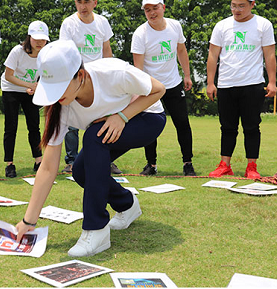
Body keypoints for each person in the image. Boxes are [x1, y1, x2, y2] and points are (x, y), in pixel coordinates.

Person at [15, 40, 166, 257]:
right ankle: (127, 204)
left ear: (81, 76)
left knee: (94, 137)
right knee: (81, 171)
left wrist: (122, 117)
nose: (56, 96)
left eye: (60, 86)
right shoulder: (59, 109)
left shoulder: (114, 72)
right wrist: (28, 221)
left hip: (147, 118)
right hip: (109, 129)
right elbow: (48, 169)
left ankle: (96, 230)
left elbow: (158, 89)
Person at [207, 0, 276, 179]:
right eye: (233, 5)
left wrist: (272, 82)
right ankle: (224, 164)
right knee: (227, 127)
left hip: (252, 84)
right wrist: (210, 83)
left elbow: (269, 54)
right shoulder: (222, 26)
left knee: (252, 127)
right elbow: (213, 55)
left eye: (241, 5)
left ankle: (251, 167)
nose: (236, 9)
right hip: (226, 84)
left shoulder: (263, 25)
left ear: (252, 4)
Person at [131, 0, 196, 177]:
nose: (152, 13)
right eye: (147, 10)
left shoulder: (175, 26)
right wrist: (142, 90)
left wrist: (187, 75)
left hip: (174, 84)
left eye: (155, 8)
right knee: (150, 126)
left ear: (163, 8)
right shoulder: (140, 34)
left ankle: (188, 164)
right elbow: (138, 67)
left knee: (182, 123)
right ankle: (151, 165)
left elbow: (181, 50)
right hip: (151, 87)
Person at [59, 0, 122, 174]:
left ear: (95, 2)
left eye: (86, 1)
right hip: (76, 78)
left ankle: (105, 159)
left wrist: (110, 73)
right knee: (72, 121)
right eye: (79, 1)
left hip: (99, 78)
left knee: (102, 119)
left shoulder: (102, 22)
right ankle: (72, 161)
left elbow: (106, 48)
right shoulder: (69, 24)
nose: (82, 5)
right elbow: (65, 53)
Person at [2, 21, 49, 178]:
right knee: (11, 126)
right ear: (29, 38)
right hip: (11, 89)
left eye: (43, 39)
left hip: (30, 91)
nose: (39, 43)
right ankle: (9, 164)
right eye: (36, 39)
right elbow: (9, 76)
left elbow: (44, 76)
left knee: (34, 126)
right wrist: (28, 85)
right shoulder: (17, 51)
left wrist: (34, 88)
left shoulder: (45, 55)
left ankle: (38, 161)